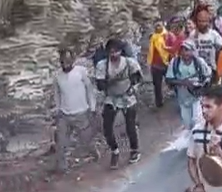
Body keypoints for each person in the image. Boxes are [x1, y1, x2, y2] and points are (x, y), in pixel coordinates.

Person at [94, 38, 143, 169]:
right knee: (107, 128)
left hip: (128, 96)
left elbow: (137, 77)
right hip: (111, 98)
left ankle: (134, 150)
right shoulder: (102, 66)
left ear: (121, 51)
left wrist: (133, 88)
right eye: (111, 52)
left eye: (116, 52)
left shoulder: (129, 63)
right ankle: (114, 150)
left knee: (130, 126)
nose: (113, 54)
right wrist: (109, 82)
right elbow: (99, 85)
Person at [187, 86, 222, 192]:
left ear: (221, 107)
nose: (203, 111)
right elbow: (191, 162)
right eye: (202, 106)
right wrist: (198, 185)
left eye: (208, 107)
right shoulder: (196, 131)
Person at [53, 50, 98, 173]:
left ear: (72, 60)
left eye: (67, 61)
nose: (65, 64)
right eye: (62, 62)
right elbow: (57, 94)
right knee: (61, 142)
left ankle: (94, 153)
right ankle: (62, 167)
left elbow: (89, 89)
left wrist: (92, 107)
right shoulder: (57, 75)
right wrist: (58, 110)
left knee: (86, 139)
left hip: (81, 112)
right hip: (64, 114)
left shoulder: (81, 71)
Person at [166, 39, 212, 130]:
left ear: (193, 51)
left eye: (187, 50)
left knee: (197, 121)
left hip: (197, 97)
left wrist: (201, 85)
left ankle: (197, 141)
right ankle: (190, 140)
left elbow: (208, 76)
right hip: (183, 98)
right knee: (187, 123)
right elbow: (169, 79)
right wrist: (184, 83)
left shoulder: (199, 62)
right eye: (182, 50)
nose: (185, 53)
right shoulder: (175, 63)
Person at [147, 21, 172, 108]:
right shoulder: (153, 37)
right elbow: (150, 51)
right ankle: (159, 102)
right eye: (156, 26)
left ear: (163, 25)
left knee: (172, 81)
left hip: (166, 63)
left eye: (159, 25)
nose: (158, 27)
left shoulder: (168, 36)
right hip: (155, 64)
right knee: (157, 85)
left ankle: (179, 97)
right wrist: (149, 63)